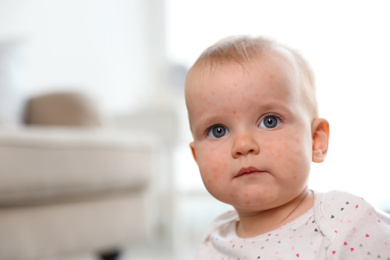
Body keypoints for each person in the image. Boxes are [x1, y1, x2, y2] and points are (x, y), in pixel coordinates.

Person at [184, 35, 390, 259]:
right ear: (197, 157)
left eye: (269, 121)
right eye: (218, 130)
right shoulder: (213, 241)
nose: (242, 145)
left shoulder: (347, 223)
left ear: (315, 140)